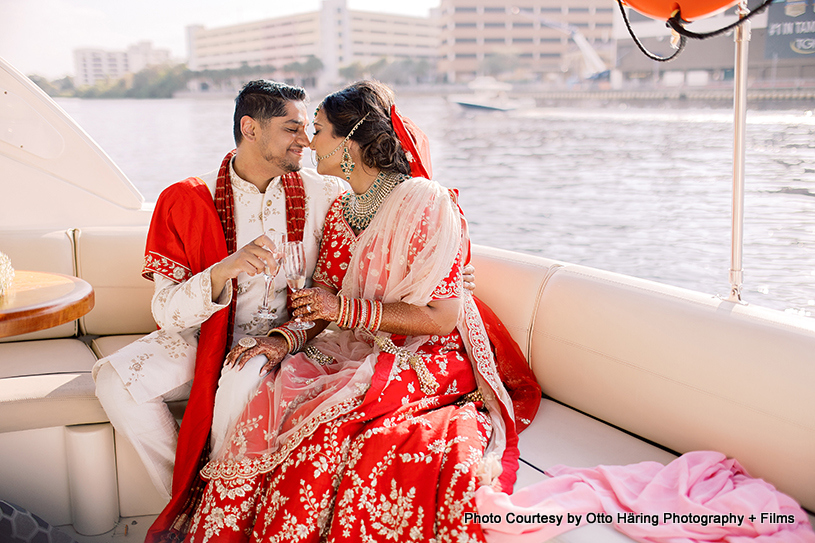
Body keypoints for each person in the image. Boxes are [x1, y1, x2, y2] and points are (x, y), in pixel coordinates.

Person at [167, 80, 540, 543]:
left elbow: (442, 317)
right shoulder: (343, 208)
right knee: (266, 403)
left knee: (324, 433)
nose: (307, 141)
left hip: (422, 350)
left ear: (350, 141)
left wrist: (342, 308)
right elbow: (323, 294)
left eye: (317, 130)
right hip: (351, 343)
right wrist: (283, 338)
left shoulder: (427, 203)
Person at [93, 80, 345, 514]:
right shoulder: (186, 199)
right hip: (205, 336)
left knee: (245, 377)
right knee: (115, 382)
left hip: (295, 338)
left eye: (307, 128)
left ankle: (222, 508)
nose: (305, 140)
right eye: (291, 128)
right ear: (250, 127)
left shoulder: (327, 193)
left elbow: (374, 246)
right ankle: (190, 504)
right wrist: (223, 269)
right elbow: (166, 311)